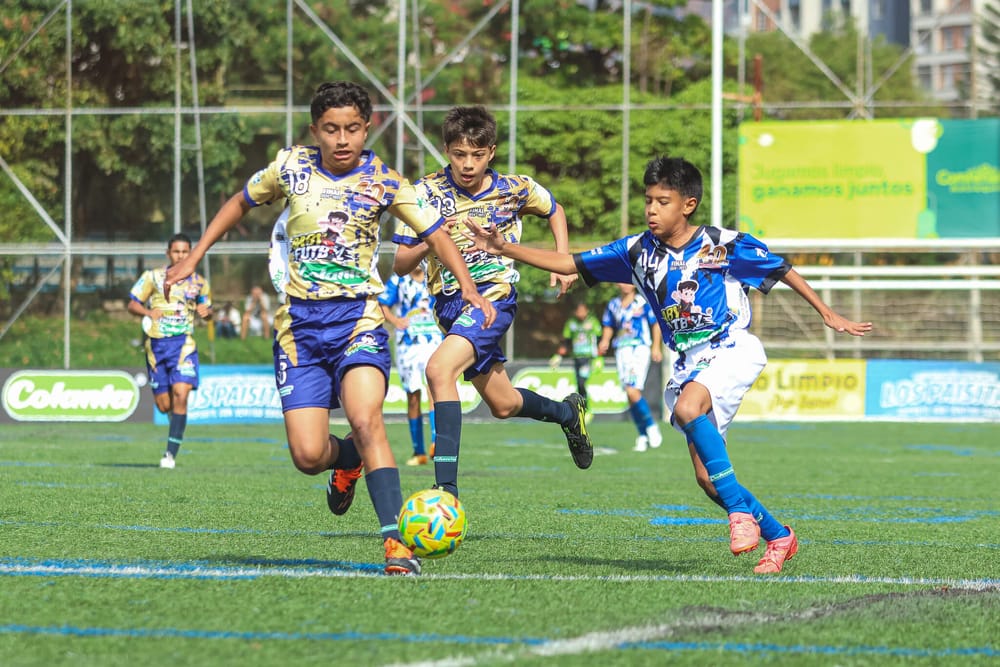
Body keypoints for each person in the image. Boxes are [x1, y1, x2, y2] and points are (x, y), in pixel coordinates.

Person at [462, 155, 873, 574]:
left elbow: (782, 269)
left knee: (687, 409)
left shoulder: (724, 244)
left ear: (688, 205)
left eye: (662, 201)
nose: (651, 210)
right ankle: (780, 537)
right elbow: (572, 262)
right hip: (690, 364)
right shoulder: (636, 251)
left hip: (731, 347)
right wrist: (504, 248)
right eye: (648, 201)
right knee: (708, 480)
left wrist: (826, 313)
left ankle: (739, 516)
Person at [164, 81, 495, 576]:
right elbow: (239, 203)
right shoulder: (290, 167)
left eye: (353, 128)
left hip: (359, 320)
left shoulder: (386, 181)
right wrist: (195, 255)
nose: (343, 139)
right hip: (299, 329)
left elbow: (435, 233)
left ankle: (395, 545)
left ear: (368, 128)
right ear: (315, 129)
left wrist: (467, 286)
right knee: (307, 454)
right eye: (332, 129)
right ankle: (346, 461)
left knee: (368, 421)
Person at [392, 104, 592, 502]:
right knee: (503, 403)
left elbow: (555, 209)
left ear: (492, 151)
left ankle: (445, 490)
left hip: (494, 297)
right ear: (446, 150)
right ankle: (569, 414)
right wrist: (433, 238)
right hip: (448, 306)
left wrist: (563, 260)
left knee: (438, 369)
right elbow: (400, 265)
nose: (468, 164)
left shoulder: (514, 188)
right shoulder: (422, 193)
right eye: (459, 154)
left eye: (477, 155)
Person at [127, 233, 213, 470]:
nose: (181, 256)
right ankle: (176, 428)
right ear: (168, 253)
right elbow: (132, 303)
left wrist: (208, 313)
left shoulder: (199, 282)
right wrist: (147, 313)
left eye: (186, 252)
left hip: (183, 345)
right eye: (176, 252)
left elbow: (207, 307)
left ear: (191, 253)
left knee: (181, 395)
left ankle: (170, 454)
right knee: (164, 405)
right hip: (156, 347)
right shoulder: (153, 277)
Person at [378, 263, 443, 466]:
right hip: (408, 342)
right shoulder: (399, 279)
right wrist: (395, 321)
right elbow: (382, 304)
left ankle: (436, 443)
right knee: (413, 395)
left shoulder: (435, 274)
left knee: (435, 389)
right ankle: (419, 452)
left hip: (433, 338)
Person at [598, 282, 663, 452]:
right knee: (629, 394)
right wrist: (605, 341)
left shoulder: (642, 302)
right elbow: (608, 325)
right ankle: (642, 435)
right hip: (621, 350)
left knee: (632, 390)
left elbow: (655, 324)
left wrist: (656, 346)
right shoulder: (613, 305)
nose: (625, 285)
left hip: (639, 348)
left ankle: (651, 426)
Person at [550, 300, 601, 400]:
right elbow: (566, 342)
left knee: (582, 382)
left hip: (589, 357)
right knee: (578, 383)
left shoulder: (593, 322)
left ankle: (587, 407)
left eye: (583, 310)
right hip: (577, 357)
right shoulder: (571, 323)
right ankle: (582, 408)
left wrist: (599, 357)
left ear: (587, 311)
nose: (581, 313)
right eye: (579, 311)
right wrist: (558, 356)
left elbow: (600, 339)